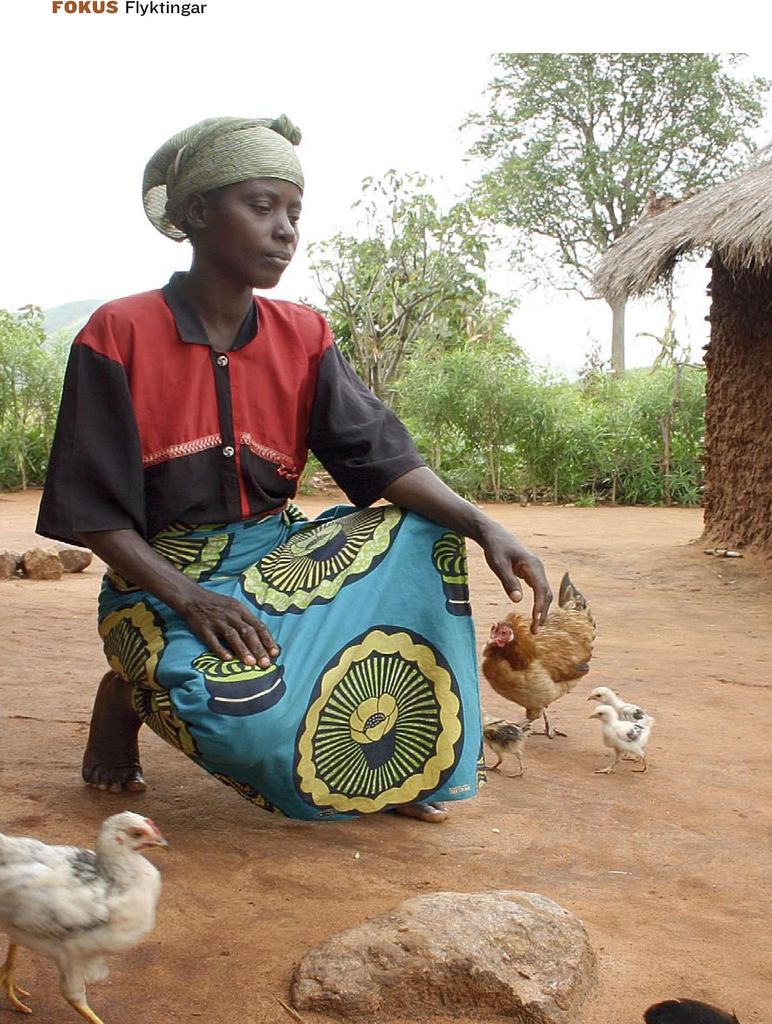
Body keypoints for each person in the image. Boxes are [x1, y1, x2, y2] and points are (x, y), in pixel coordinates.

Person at [37, 114, 551, 825]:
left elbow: (383, 458)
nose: (286, 229)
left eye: (294, 212)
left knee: (426, 535)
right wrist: (190, 598)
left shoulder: (304, 336)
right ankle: (127, 691)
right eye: (261, 206)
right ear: (196, 213)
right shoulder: (118, 333)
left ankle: (394, 770)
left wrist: (483, 524)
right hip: (158, 580)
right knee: (235, 717)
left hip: (282, 562)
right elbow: (92, 512)